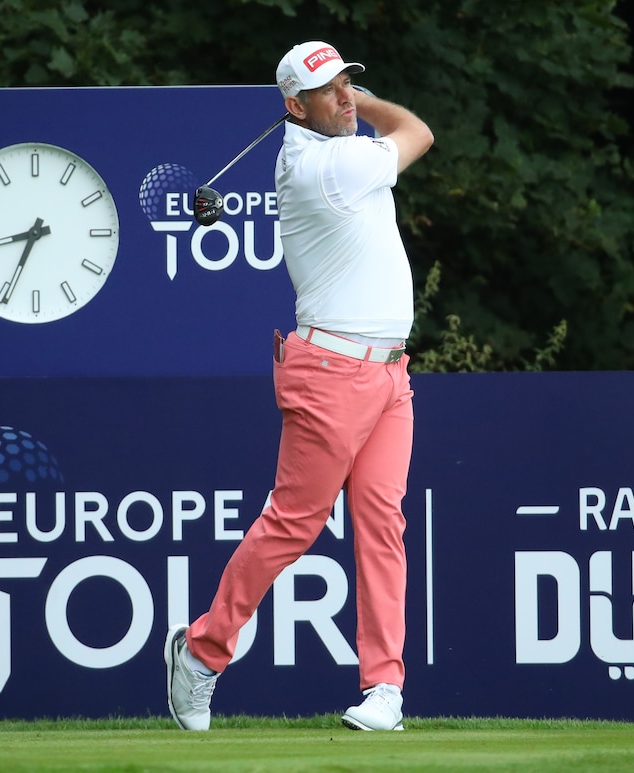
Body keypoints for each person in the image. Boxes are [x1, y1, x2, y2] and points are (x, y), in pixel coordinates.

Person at [164, 40, 434, 732]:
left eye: (350, 84)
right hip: (331, 373)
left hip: (389, 373)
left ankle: (384, 689)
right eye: (331, 90)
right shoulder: (327, 165)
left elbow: (389, 131)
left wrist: (349, 101)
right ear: (294, 106)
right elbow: (419, 132)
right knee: (293, 524)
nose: (345, 97)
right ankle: (200, 652)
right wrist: (371, 108)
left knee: (382, 523)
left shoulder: (332, 149)